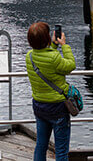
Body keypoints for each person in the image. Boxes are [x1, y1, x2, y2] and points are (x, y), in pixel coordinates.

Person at [25, 22, 75, 161]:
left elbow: (45, 57)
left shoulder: (29, 57)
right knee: (61, 150)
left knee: (41, 145)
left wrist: (53, 45)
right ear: (47, 38)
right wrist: (64, 46)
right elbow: (70, 65)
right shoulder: (54, 58)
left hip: (40, 106)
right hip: (58, 108)